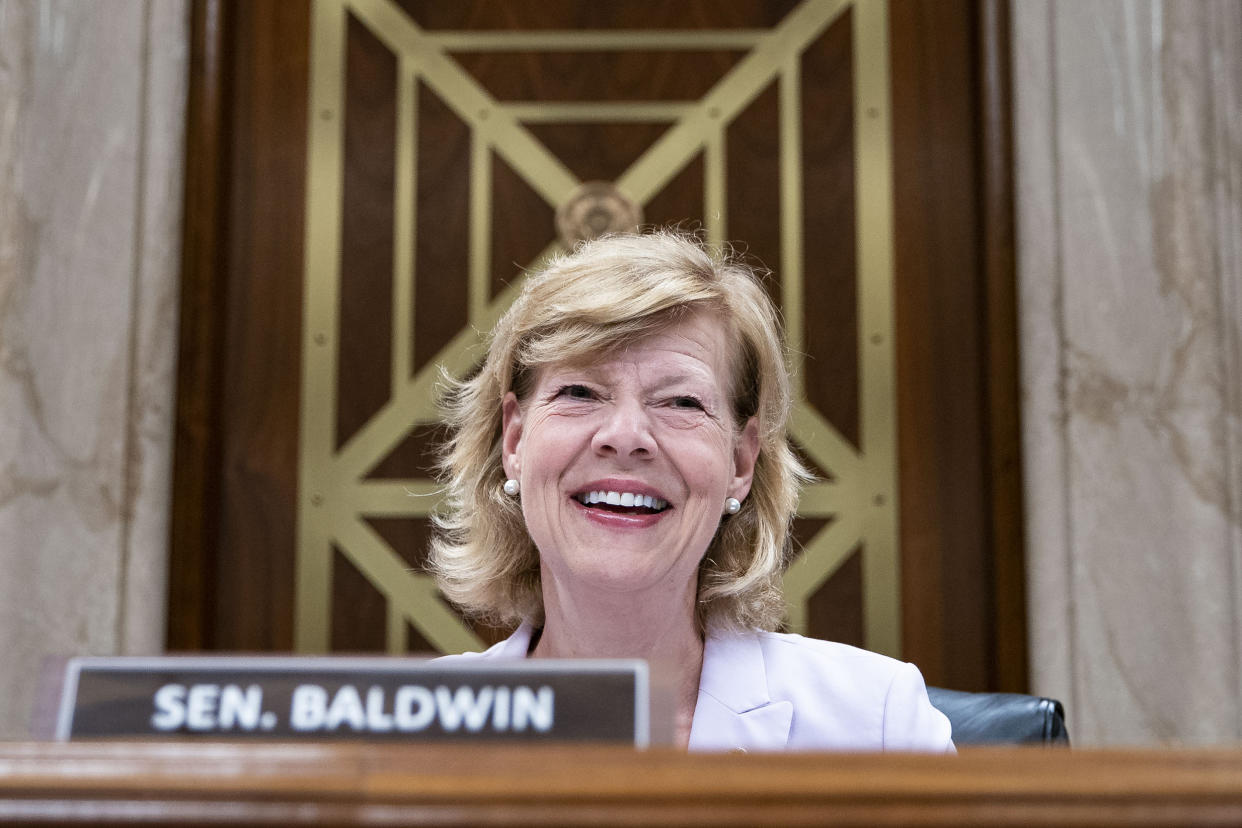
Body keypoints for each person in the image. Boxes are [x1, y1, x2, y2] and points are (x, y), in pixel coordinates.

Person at [430, 230, 953, 752]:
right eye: (580, 393)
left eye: (681, 402)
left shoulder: (879, 723)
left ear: (740, 462)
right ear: (515, 440)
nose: (627, 437)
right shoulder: (414, 737)